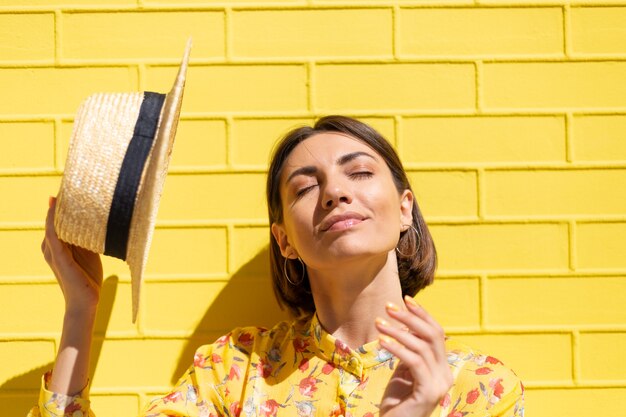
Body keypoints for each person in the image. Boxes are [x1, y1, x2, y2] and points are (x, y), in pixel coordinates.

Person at [31, 116, 524, 417]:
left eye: (360, 172)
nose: (335, 191)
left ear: (403, 209)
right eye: (306, 187)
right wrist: (80, 311)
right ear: (284, 240)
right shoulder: (233, 370)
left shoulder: (479, 387)